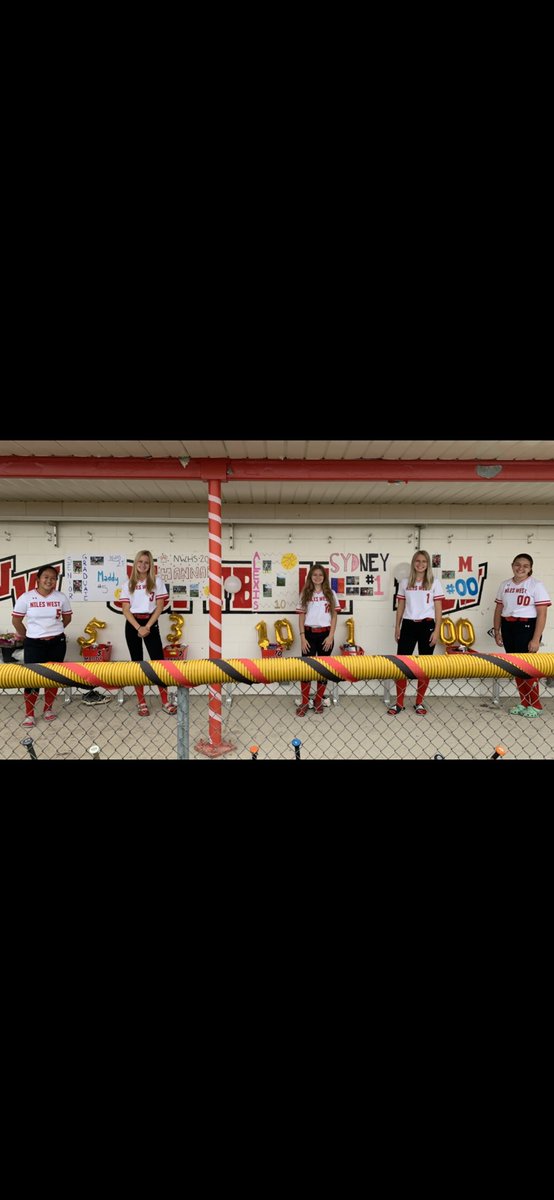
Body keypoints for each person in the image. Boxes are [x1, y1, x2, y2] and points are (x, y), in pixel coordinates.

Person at [12, 563, 72, 726]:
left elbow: (67, 618)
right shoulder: (26, 597)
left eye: (53, 578)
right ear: (38, 579)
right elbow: (16, 620)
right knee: (32, 679)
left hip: (57, 643)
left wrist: (55, 630)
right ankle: (29, 714)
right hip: (34, 644)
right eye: (46, 577)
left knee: (53, 677)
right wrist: (28, 636)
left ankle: (48, 709)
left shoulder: (61, 597)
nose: (49, 581)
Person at [119, 550, 176, 715]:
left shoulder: (157, 581)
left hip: (150, 622)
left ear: (150, 565)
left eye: (146, 562)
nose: (143, 565)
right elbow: (125, 609)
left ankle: (165, 701)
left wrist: (148, 626)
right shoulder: (127, 584)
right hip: (133, 625)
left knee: (158, 663)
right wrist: (138, 628)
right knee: (137, 664)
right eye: (140, 562)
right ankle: (141, 702)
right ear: (135, 563)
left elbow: (160, 606)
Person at [493, 553, 551, 717]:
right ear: (512, 565)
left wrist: (535, 638)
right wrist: (497, 631)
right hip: (508, 627)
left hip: (526, 627)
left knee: (528, 669)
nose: (521, 568)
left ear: (530, 568)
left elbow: (542, 614)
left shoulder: (536, 585)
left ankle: (536, 705)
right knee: (516, 668)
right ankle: (525, 702)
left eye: (525, 566)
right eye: (518, 564)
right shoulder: (504, 585)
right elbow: (499, 610)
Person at [388, 549, 444, 715]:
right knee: (402, 665)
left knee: (425, 666)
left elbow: (439, 609)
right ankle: (399, 702)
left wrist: (437, 630)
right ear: (413, 563)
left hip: (427, 626)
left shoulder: (434, 582)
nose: (420, 564)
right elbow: (401, 607)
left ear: (428, 564)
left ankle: (419, 702)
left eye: (424, 562)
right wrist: (397, 626)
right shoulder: (405, 582)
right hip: (408, 625)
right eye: (417, 561)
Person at [295, 563, 338, 715]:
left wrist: (331, 636)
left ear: (324, 577)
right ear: (310, 577)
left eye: (320, 575)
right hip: (309, 635)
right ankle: (305, 702)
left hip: (325, 635)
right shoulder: (305, 593)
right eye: (315, 575)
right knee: (306, 670)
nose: (318, 577)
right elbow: (301, 617)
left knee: (323, 670)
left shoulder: (330, 593)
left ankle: (318, 700)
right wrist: (302, 637)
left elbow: (334, 616)